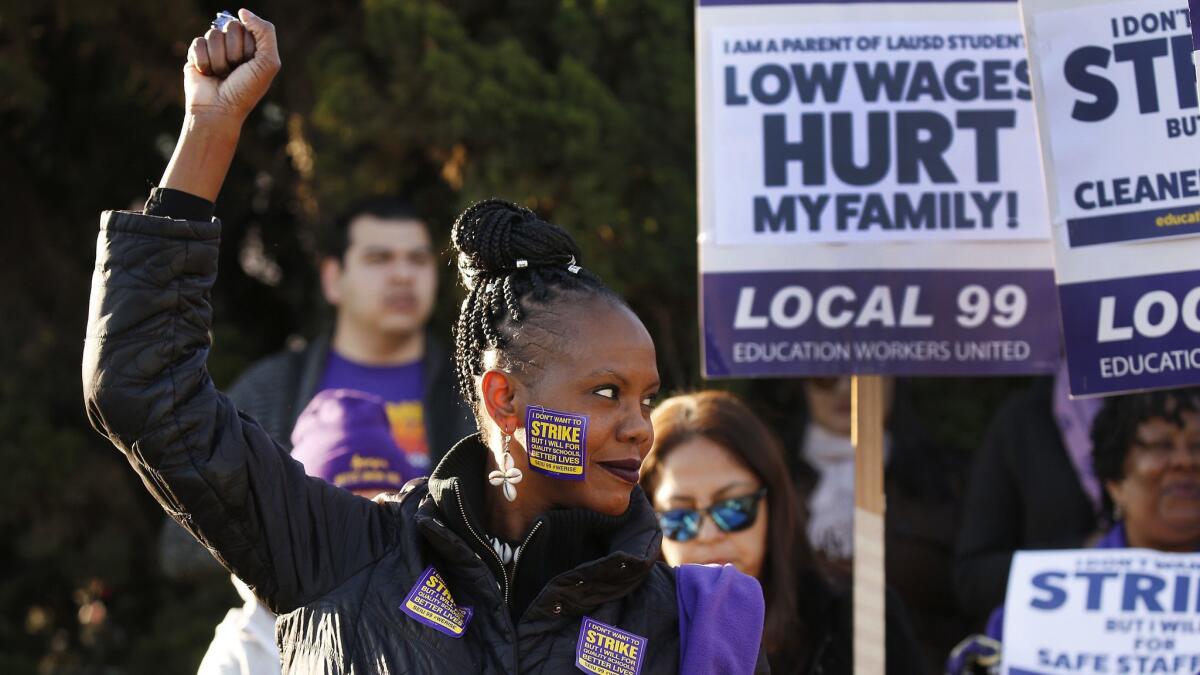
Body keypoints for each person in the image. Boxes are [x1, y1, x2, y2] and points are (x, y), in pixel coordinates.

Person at [83, 11, 766, 672]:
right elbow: (149, 391)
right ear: (503, 397)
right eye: (607, 392)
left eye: (646, 398)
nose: (639, 429)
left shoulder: (680, 618)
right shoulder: (344, 555)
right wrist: (210, 128)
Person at [640, 390, 925, 674]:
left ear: (773, 505)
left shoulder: (859, 615)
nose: (708, 532)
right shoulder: (623, 631)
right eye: (679, 516)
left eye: (734, 507)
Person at [946, 387, 1200, 673]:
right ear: (1115, 481)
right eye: (1162, 445)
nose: (1185, 461)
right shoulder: (1043, 598)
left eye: (1198, 445)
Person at [228, 195, 475, 468]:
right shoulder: (268, 392)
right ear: (333, 279)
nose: (403, 275)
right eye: (379, 258)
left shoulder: (474, 395)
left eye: (418, 259)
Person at [752, 376, 969, 673]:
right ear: (804, 384)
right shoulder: (764, 482)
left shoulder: (949, 480)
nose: (845, 387)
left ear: (894, 380)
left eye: (864, 372)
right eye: (826, 376)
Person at [198, 389, 418, 674]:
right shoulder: (243, 652)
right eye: (342, 519)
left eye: (380, 519)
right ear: (298, 523)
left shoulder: (446, 617)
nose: (364, 542)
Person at [953, 365, 1106, 626]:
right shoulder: (1021, 422)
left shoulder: (1185, 412)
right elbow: (974, 580)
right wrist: (1084, 558)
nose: (1179, 461)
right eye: (1161, 446)